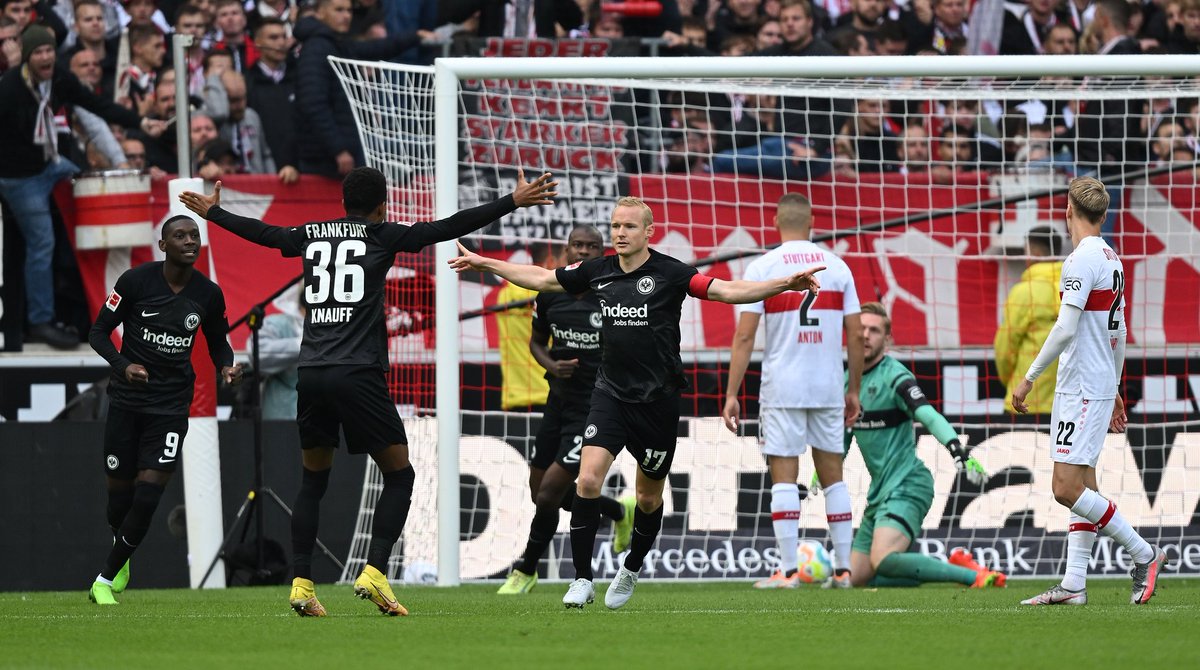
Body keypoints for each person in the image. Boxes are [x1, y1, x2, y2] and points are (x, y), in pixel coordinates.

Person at [179, 166, 558, 617]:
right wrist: (511, 201)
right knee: (400, 476)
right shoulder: (381, 234)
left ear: (342, 203)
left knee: (313, 479)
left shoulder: (312, 233)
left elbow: (264, 234)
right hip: (357, 372)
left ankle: (302, 582)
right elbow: (445, 228)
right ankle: (375, 573)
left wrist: (216, 215)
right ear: (383, 206)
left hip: (313, 372)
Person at [449, 196, 825, 610]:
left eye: (629, 227)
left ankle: (631, 568)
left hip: (658, 402)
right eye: (615, 226)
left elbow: (727, 290)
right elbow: (541, 278)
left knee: (648, 498)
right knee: (588, 481)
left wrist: (783, 284)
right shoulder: (598, 271)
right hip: (609, 394)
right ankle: (582, 579)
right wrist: (487, 264)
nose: (620, 234)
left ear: (649, 231)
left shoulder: (670, 273)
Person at [1014, 177, 1168, 606]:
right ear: (1103, 215)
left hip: (1081, 387)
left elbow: (1065, 327)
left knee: (1065, 488)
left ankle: (1144, 553)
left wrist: (1029, 377)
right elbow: (1117, 333)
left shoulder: (1080, 260)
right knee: (1085, 485)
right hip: (1094, 384)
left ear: (1068, 211)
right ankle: (1075, 585)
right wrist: (1116, 385)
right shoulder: (1112, 259)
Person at [86, 215, 243, 605]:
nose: (189, 241)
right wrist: (124, 367)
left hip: (171, 404)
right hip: (126, 400)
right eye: (180, 236)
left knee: (150, 492)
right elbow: (98, 333)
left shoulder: (208, 294)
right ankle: (119, 554)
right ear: (163, 245)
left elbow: (218, 341)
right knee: (119, 493)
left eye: (194, 236)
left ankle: (104, 578)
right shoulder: (135, 282)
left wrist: (226, 364)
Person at [721, 193, 864, 590]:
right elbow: (854, 332)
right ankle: (843, 570)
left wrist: (732, 393)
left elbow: (745, 334)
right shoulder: (837, 267)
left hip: (783, 387)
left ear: (775, 222)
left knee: (784, 478)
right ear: (813, 221)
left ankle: (787, 571)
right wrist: (853, 388)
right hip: (827, 385)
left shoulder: (764, 266)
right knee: (834, 478)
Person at [0, 25, 165, 350]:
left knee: (93, 188)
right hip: (19, 178)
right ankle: (42, 320)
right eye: (38, 53)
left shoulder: (59, 78)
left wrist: (139, 123)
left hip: (51, 163)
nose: (46, 57)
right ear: (28, 57)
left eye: (49, 50)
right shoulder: (9, 91)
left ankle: (91, 293)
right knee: (41, 241)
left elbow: (95, 105)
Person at [497, 225, 634, 595]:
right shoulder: (548, 294)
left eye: (592, 247)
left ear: (602, 253)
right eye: (578, 246)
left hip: (593, 408)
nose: (584, 252)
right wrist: (552, 366)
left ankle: (526, 569)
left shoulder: (610, 297)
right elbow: (537, 343)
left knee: (549, 494)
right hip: (557, 402)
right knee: (539, 490)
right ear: (566, 251)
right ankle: (618, 511)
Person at [844, 302, 1002, 589]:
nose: (866, 335)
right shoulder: (846, 383)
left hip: (908, 483)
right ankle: (925, 568)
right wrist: (821, 474)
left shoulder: (896, 377)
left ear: (887, 340)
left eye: (874, 330)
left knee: (884, 559)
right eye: (861, 329)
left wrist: (957, 448)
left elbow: (928, 414)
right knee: (854, 578)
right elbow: (840, 439)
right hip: (879, 491)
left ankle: (973, 576)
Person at [994, 226, 1064, 415]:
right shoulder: (1075, 289)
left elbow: (1005, 350)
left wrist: (1013, 380)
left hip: (1024, 401)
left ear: (1035, 253)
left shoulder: (1023, 292)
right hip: (1067, 405)